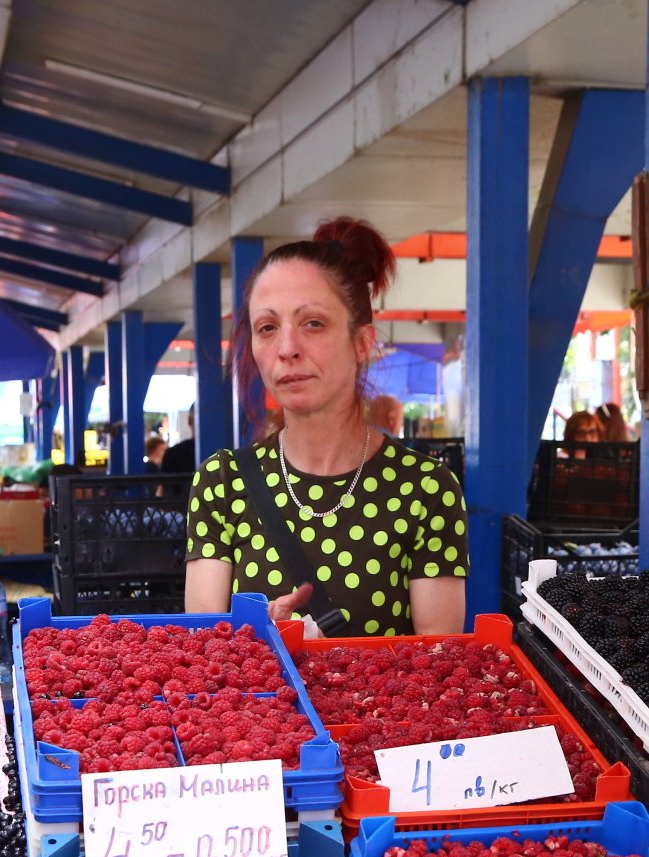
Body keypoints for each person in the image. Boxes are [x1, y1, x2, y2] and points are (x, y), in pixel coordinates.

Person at [184, 217, 467, 636]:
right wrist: (253, 638)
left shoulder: (426, 489)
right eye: (267, 328)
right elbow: (203, 651)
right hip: (263, 703)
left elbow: (437, 667)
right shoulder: (222, 483)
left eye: (313, 323)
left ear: (362, 342)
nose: (287, 349)